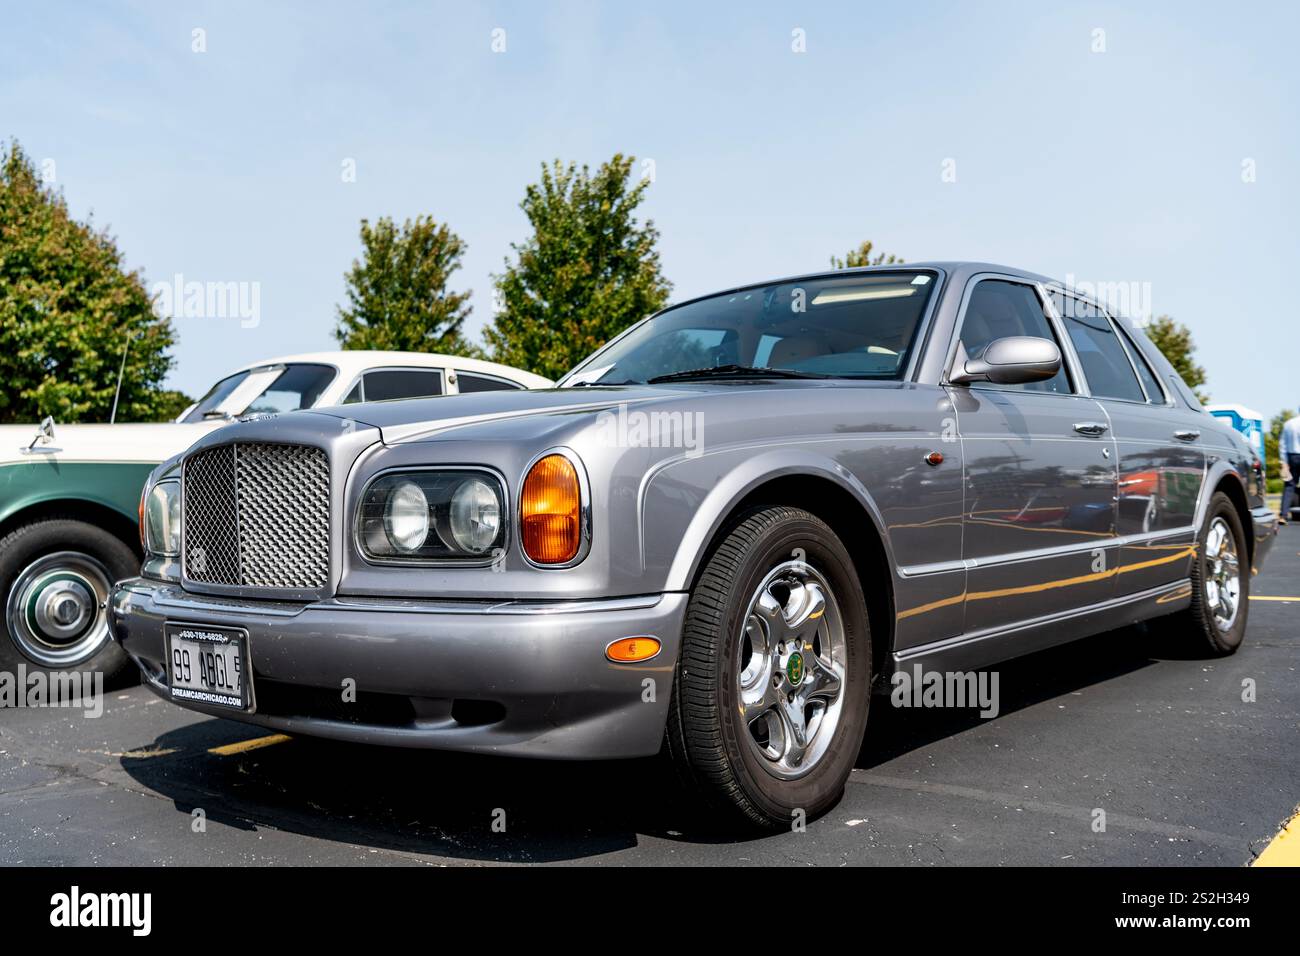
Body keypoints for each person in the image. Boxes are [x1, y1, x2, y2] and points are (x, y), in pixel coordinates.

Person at [1279, 411, 1300, 525]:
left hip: (1292, 456)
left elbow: (1283, 444)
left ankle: (1283, 515)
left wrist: (1284, 462)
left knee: (1289, 486)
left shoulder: (1288, 424)